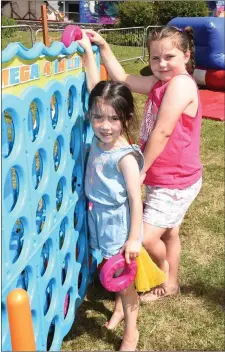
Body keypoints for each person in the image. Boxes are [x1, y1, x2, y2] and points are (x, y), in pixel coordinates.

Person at [84, 26, 203, 302]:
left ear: (186, 55)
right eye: (155, 59)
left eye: (169, 57)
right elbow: (122, 77)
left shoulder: (181, 84)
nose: (161, 64)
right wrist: (103, 47)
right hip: (168, 177)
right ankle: (172, 283)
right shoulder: (161, 83)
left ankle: (163, 272)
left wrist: (141, 169)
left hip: (175, 180)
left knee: (146, 236)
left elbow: (162, 131)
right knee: (170, 232)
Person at [78, 30, 144, 351]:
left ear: (126, 119)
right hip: (97, 220)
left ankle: (131, 332)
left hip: (117, 225)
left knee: (126, 283)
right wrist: (88, 51)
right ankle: (118, 305)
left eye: (113, 119)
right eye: (98, 117)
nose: (104, 125)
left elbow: (135, 200)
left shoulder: (125, 157)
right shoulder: (98, 136)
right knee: (109, 269)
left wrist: (134, 238)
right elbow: (94, 87)